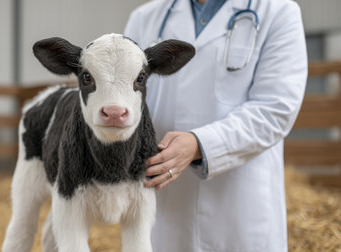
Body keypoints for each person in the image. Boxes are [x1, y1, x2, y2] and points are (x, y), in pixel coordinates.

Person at [124, 0, 307, 251]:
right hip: (163, 200)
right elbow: (124, 95)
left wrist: (200, 144)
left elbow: (275, 108)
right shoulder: (145, 18)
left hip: (239, 203)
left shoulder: (278, 12)